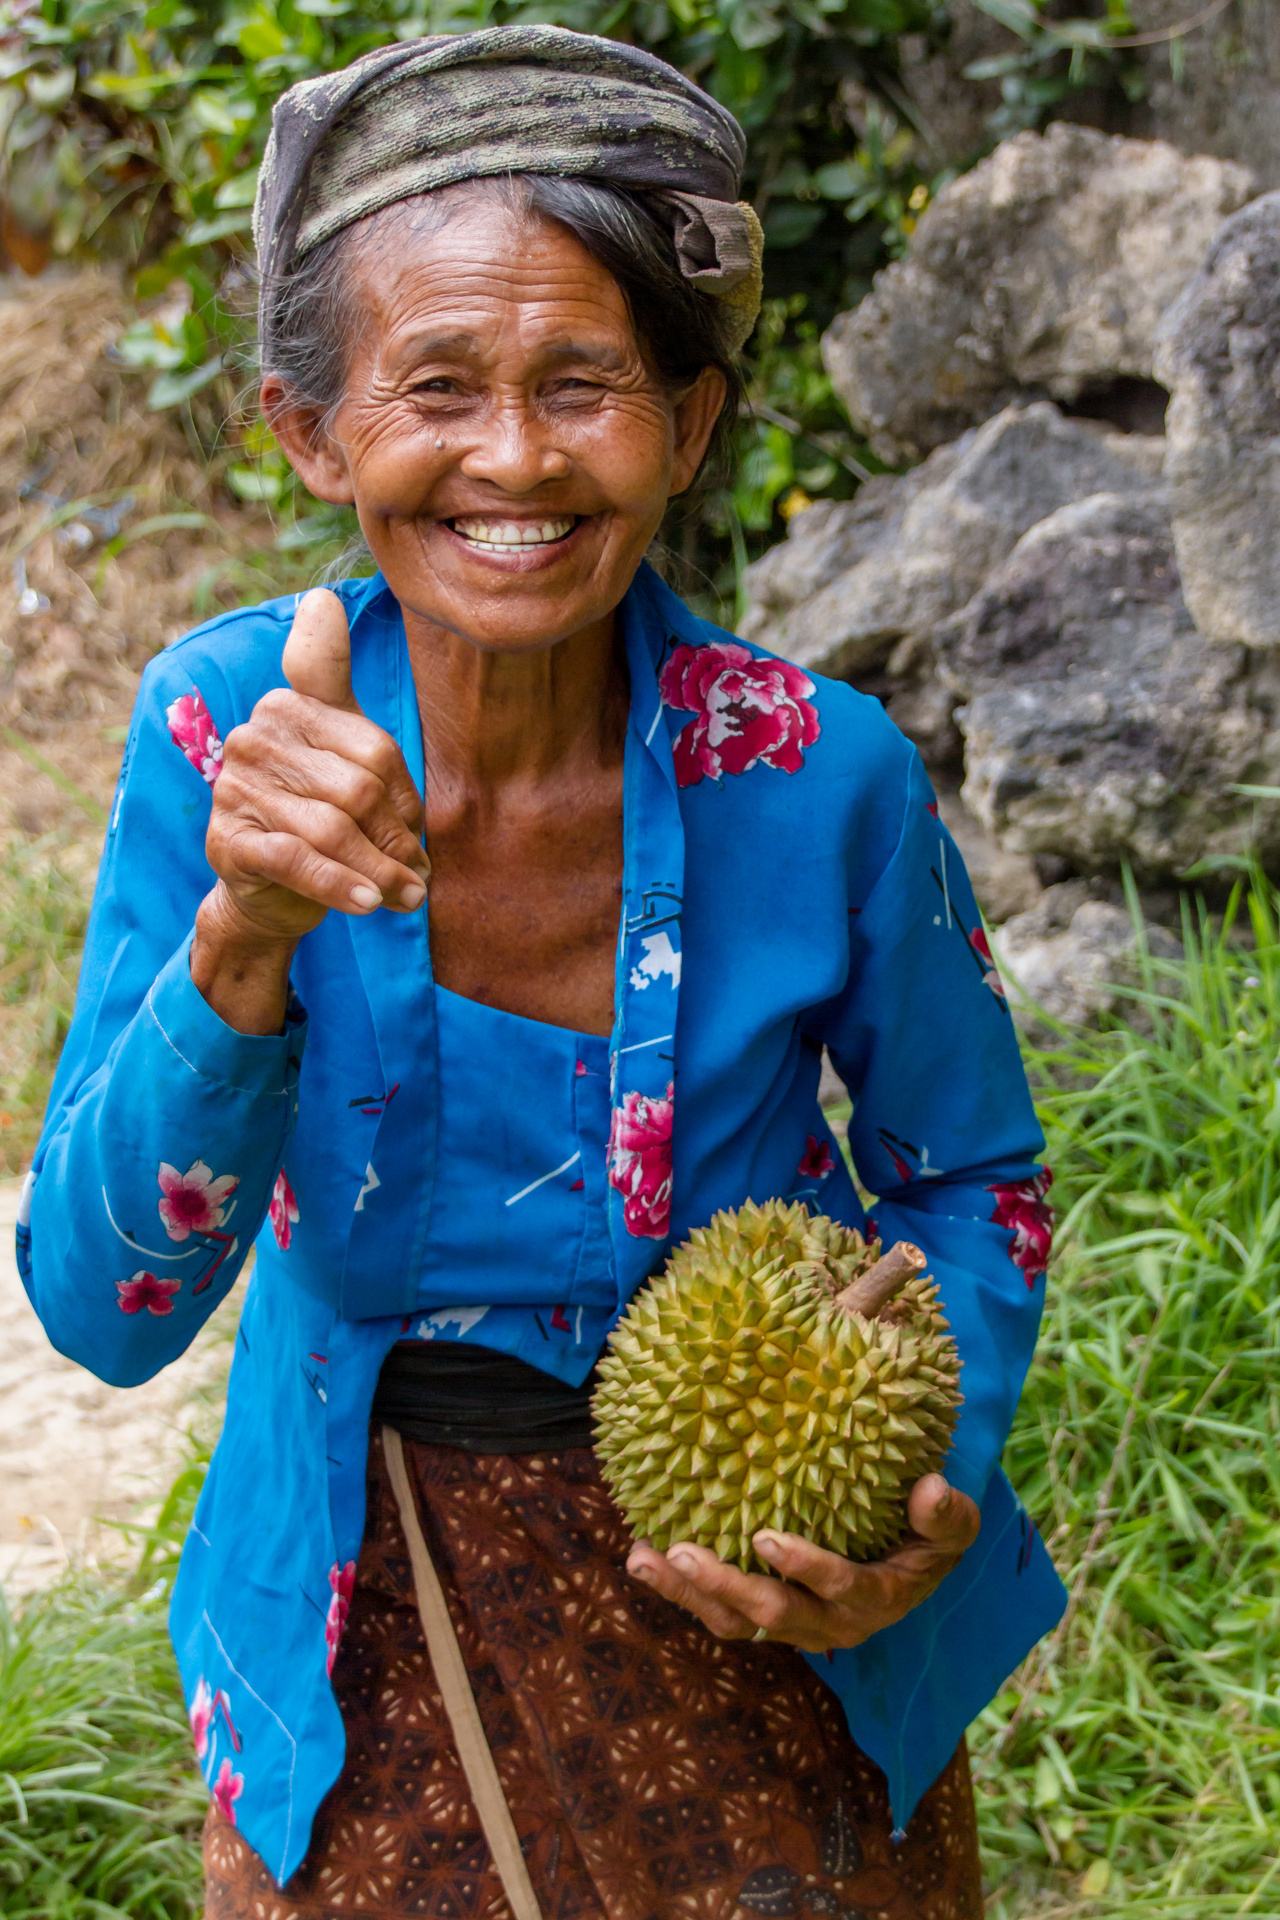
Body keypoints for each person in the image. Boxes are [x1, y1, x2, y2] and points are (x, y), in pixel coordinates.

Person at [19, 26, 1066, 1919]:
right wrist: (241, 936)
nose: (512, 456)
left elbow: (978, 1177)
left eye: (585, 381)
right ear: (311, 429)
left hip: (771, 1602)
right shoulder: (219, 738)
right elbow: (104, 1311)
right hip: (366, 1611)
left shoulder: (821, 777)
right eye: (435, 384)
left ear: (689, 418)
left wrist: (929, 1496)